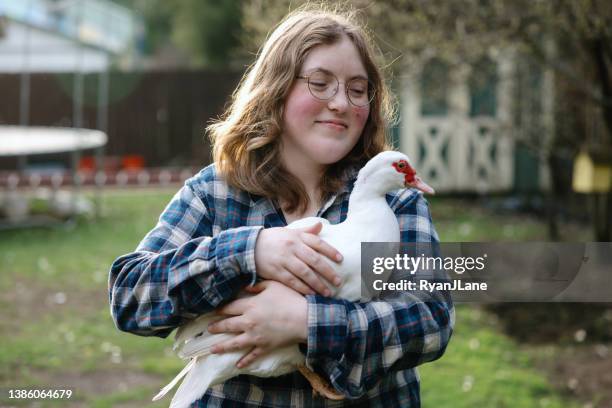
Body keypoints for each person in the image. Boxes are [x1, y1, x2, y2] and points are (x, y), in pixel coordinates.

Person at [109, 5, 454, 407]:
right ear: (277, 89)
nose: (341, 102)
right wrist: (248, 252)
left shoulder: (399, 204)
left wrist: (305, 322)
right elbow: (130, 296)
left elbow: (430, 322)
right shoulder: (216, 193)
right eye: (320, 83)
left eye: (357, 89)